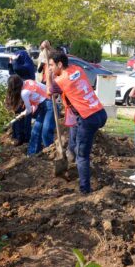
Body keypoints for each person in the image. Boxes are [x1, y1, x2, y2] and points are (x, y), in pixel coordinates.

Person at [49, 49, 106, 194]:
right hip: (100, 112)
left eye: (51, 65)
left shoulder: (60, 81)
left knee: (83, 155)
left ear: (59, 64)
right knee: (75, 134)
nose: (50, 68)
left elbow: (49, 91)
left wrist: (49, 75)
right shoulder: (78, 69)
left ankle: (84, 189)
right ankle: (72, 155)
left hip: (88, 118)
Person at [21, 77, 54, 155]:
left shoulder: (24, 92)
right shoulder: (28, 81)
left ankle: (51, 154)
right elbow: (44, 88)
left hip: (50, 106)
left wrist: (23, 113)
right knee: (35, 131)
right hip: (43, 106)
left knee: (46, 132)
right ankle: (32, 154)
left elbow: (28, 111)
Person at [5, 75, 30, 146]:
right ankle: (17, 137)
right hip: (17, 106)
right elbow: (8, 99)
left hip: (24, 106)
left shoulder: (24, 89)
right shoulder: (11, 89)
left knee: (22, 122)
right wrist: (10, 107)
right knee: (16, 121)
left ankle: (23, 139)